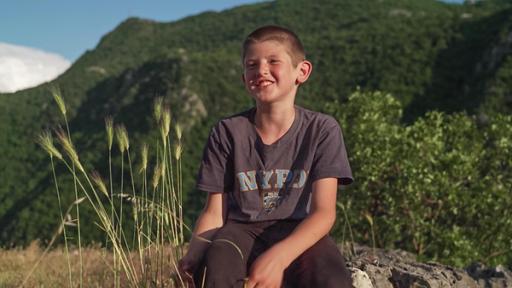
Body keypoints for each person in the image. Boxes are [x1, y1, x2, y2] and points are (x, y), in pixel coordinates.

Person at [178, 25, 353, 288]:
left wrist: (279, 258)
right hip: (239, 230)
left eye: (273, 61)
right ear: (243, 76)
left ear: (301, 71)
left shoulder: (322, 130)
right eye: (251, 64)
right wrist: (192, 257)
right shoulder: (228, 132)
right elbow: (214, 212)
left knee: (332, 280)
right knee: (215, 271)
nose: (260, 70)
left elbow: (323, 213)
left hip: (298, 228)